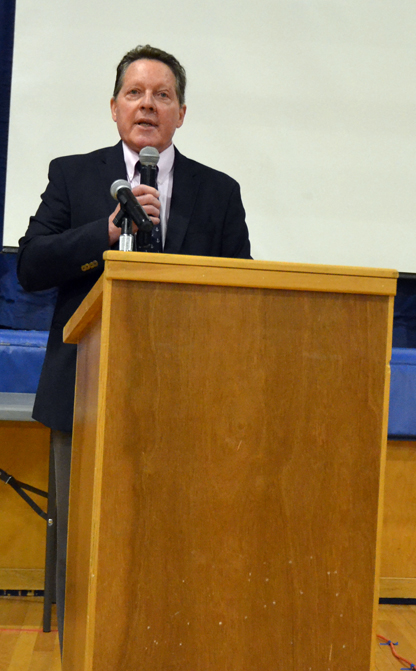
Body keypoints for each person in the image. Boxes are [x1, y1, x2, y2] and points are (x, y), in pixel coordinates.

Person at [16, 45, 252, 648]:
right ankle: (76, 645)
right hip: (85, 388)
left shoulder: (219, 192)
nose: (147, 103)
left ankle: (168, 638)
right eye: (135, 92)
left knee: (175, 530)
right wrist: (108, 231)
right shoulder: (72, 174)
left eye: (162, 94)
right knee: (81, 531)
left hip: (184, 393)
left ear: (180, 113)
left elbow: (240, 292)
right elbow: (33, 266)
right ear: (115, 108)